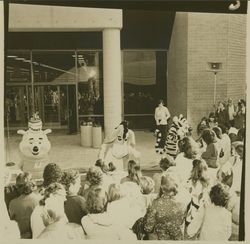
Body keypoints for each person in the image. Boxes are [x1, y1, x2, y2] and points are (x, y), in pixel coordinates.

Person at [142, 172, 188, 240]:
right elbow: (182, 223)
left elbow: (148, 228)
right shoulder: (183, 203)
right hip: (177, 239)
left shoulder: (155, 204)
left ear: (162, 188)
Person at [8, 172, 41, 239]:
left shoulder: (13, 203)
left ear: (17, 187)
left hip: (21, 237)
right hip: (37, 236)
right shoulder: (40, 199)